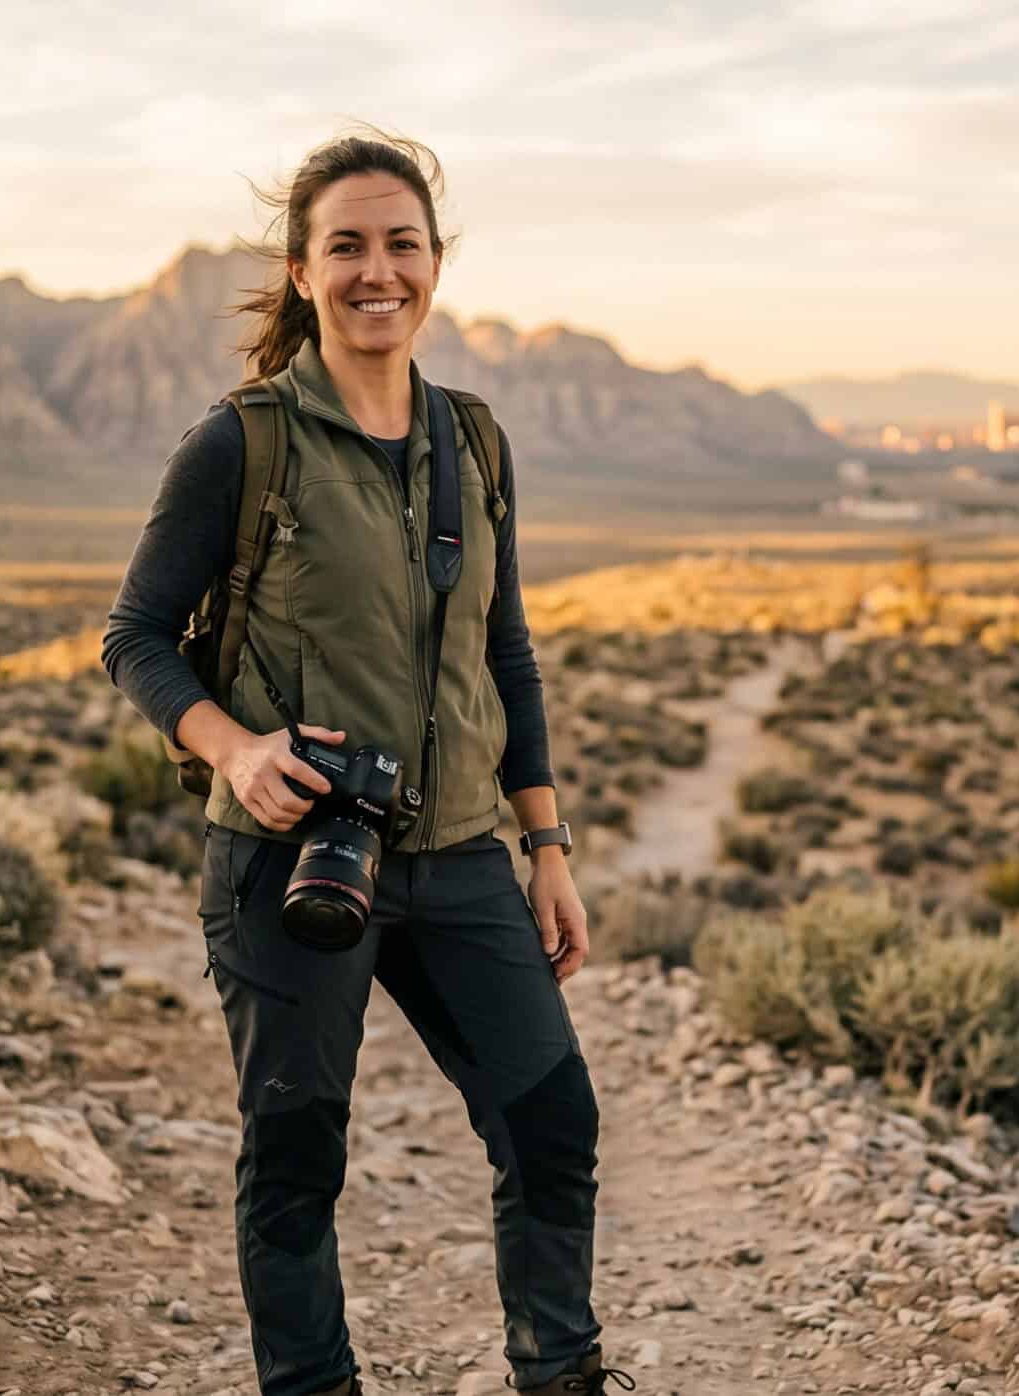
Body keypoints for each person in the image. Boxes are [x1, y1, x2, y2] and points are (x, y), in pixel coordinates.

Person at [100, 129, 625, 1396]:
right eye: (346, 246)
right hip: (292, 858)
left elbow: (505, 652)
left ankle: (560, 1374)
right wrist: (234, 746)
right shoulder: (241, 443)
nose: (375, 270)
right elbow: (134, 638)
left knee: (550, 1123)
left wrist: (545, 848)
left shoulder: (475, 442)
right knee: (294, 1157)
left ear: (435, 263)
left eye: (401, 243)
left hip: (456, 860)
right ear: (300, 271)